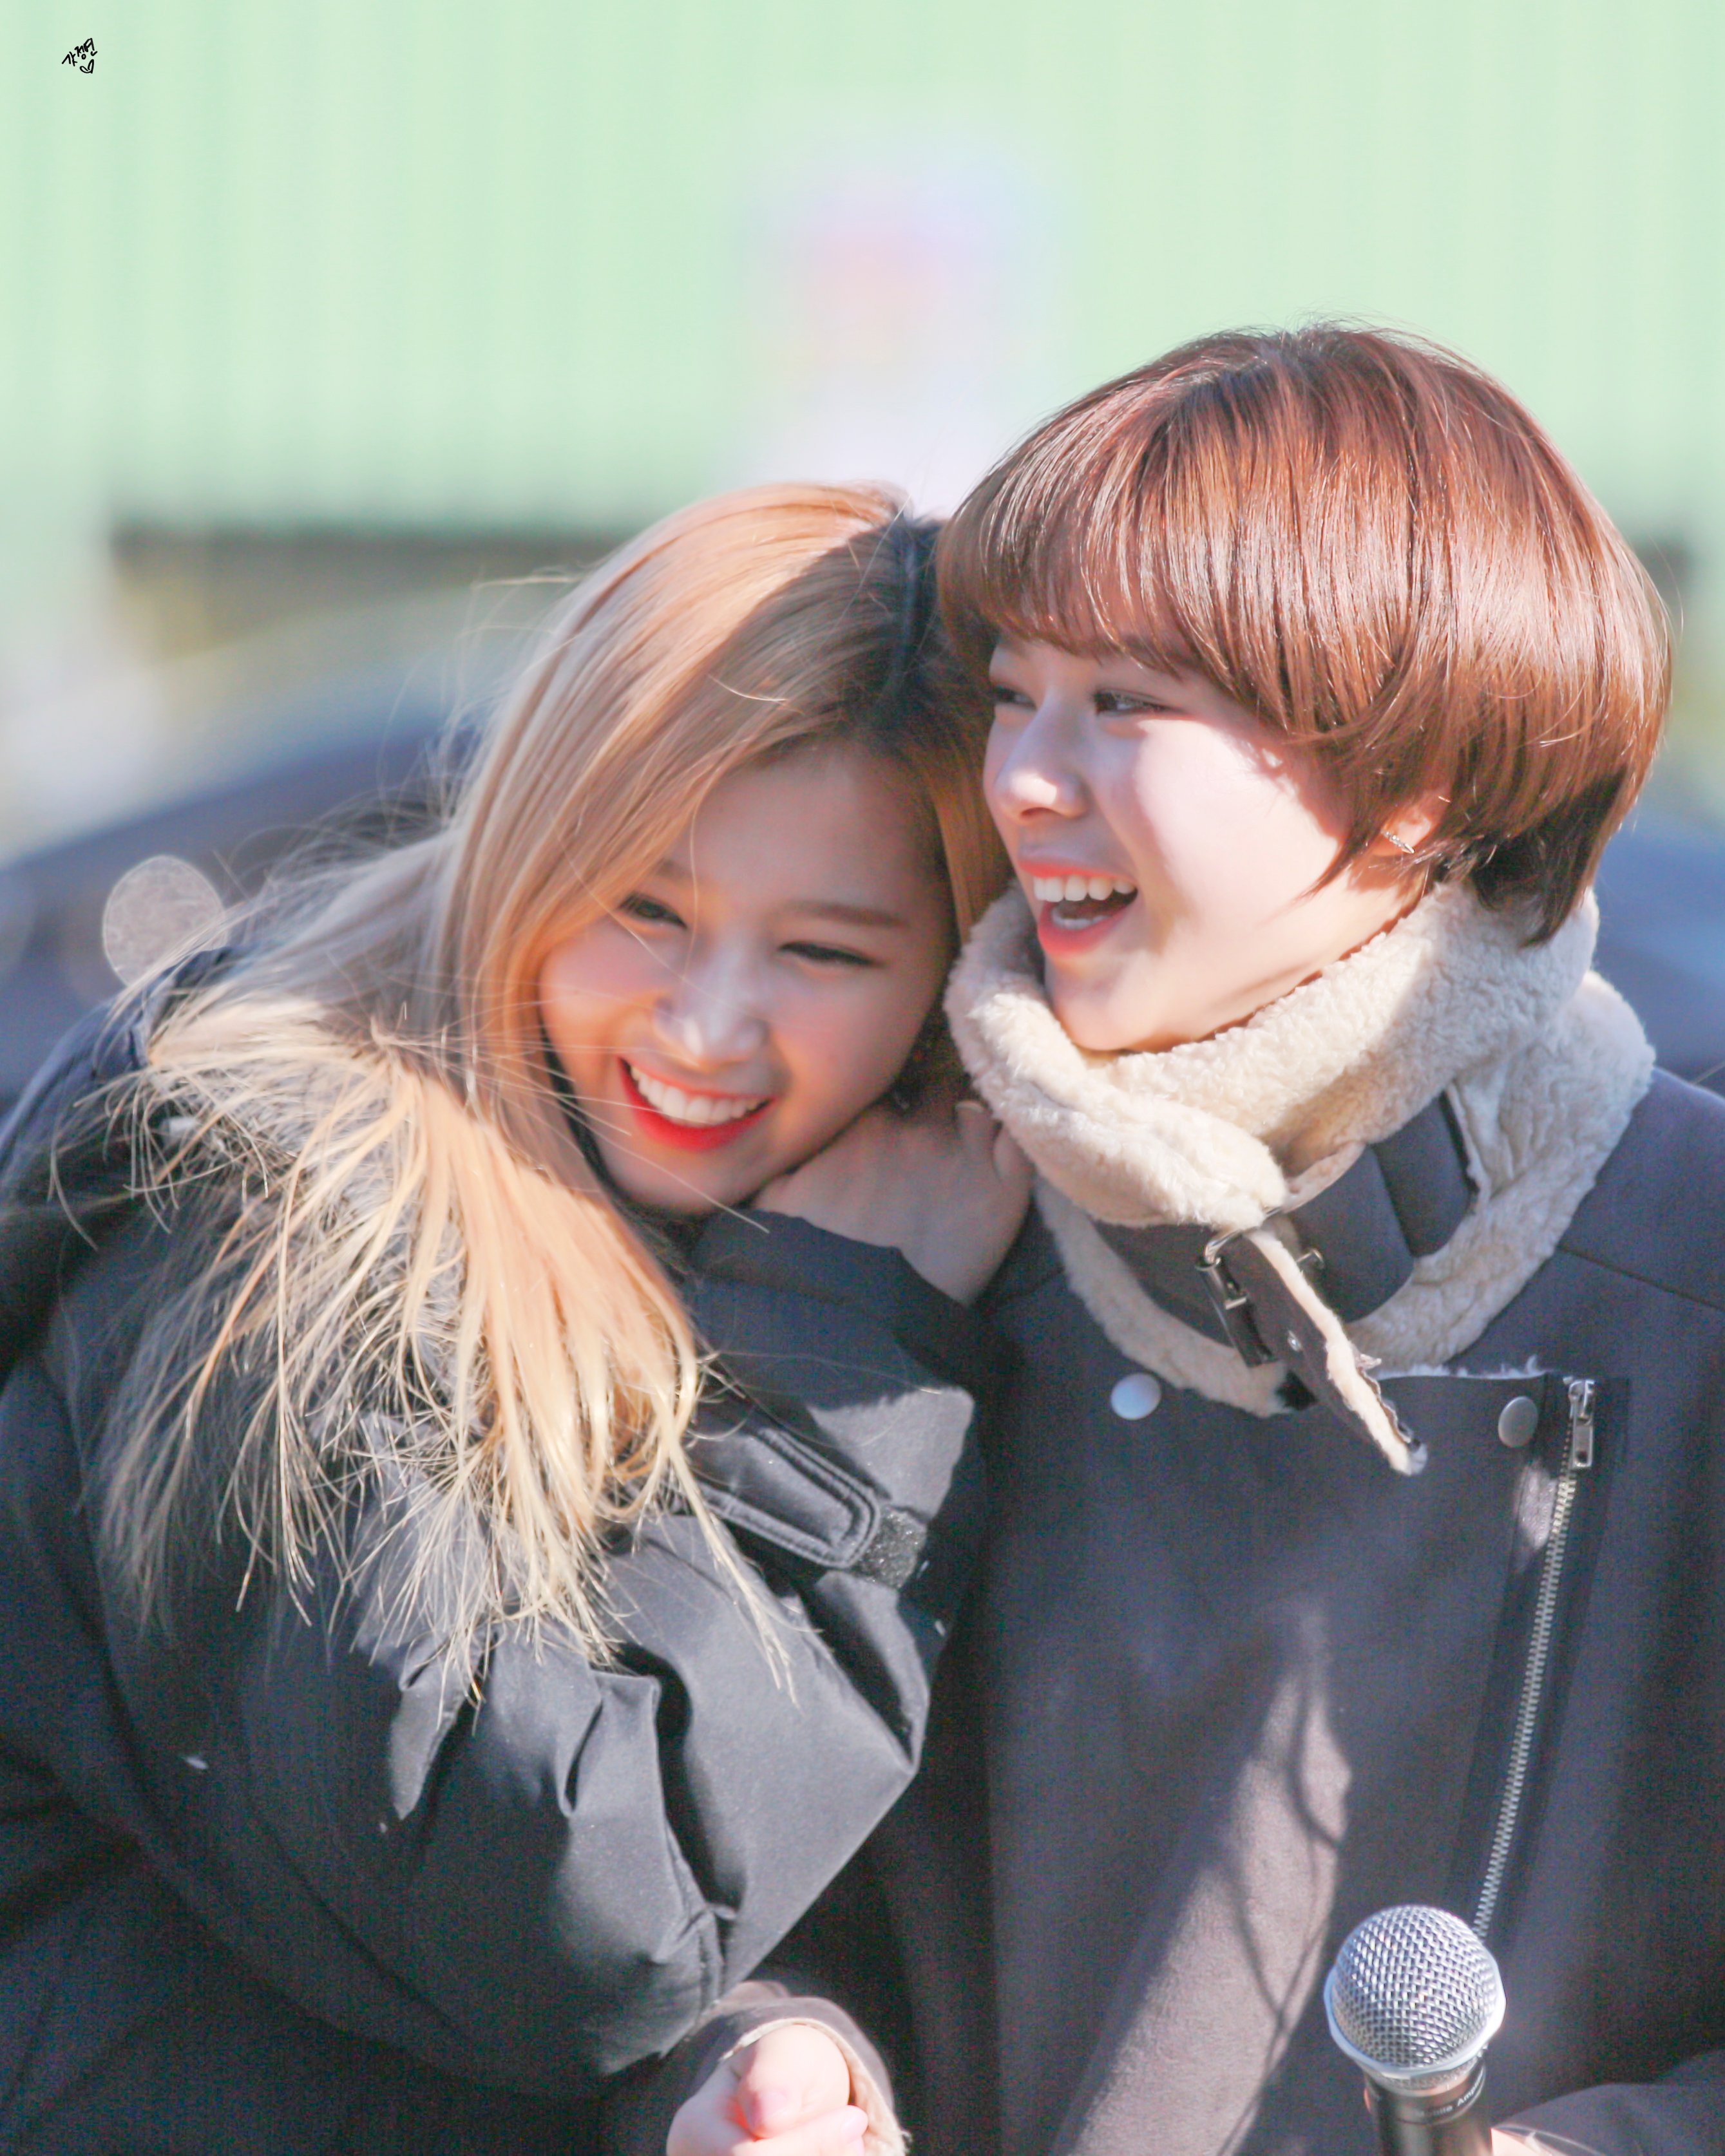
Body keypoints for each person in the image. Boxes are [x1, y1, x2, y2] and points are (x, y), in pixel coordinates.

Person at [636, 328, 1725, 2156]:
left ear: (1421, 779)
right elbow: (687, 1891)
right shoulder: (896, 1229)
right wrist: (770, 2060)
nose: (1024, 779)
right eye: (1013, 691)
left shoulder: (1690, 1270)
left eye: (1126, 703)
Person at [0, 484, 1030, 2153]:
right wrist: (840, 1375)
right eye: (646, 909)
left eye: (826, 954)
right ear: (531, 849)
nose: (707, 1027)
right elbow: (561, 1911)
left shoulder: (842, 1224)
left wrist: (768, 2051)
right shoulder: (280, 1212)